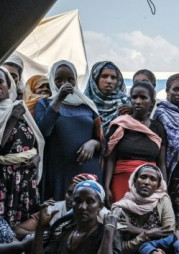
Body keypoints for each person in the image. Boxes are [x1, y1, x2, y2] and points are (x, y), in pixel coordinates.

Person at [35, 60, 103, 202]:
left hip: (87, 170)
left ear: (75, 81)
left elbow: (104, 142)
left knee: (89, 212)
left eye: (70, 79)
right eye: (59, 80)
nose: (64, 83)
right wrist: (59, 99)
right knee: (59, 212)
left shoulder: (87, 105)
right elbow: (42, 132)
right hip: (59, 172)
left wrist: (93, 143)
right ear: (52, 81)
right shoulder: (45, 103)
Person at [112, 164, 175, 254]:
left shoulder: (163, 199)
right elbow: (120, 247)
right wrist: (147, 235)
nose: (147, 181)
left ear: (158, 185)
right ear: (134, 180)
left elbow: (169, 233)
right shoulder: (120, 208)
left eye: (152, 179)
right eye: (143, 177)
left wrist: (134, 230)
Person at [104, 82, 167, 204]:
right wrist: (106, 186)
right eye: (134, 97)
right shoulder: (120, 125)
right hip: (121, 182)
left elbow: (162, 163)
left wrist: (163, 189)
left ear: (152, 103)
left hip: (149, 185)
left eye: (143, 98)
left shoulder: (158, 128)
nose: (138, 101)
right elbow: (110, 159)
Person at [0, 67, 44, 227]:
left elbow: (38, 141)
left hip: (24, 180)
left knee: (24, 227)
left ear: (9, 85)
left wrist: (37, 157)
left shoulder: (19, 107)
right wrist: (12, 119)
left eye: (1, 82)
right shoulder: (15, 112)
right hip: (3, 180)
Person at [83, 61, 130, 134]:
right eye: (104, 76)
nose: (109, 81)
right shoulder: (84, 102)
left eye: (113, 77)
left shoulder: (125, 103)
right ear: (95, 78)